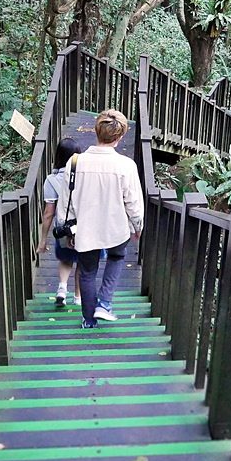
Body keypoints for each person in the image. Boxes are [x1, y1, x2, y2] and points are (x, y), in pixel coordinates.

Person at [69, 109, 144, 329]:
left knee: (87, 271)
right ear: (120, 137)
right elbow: (133, 203)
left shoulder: (74, 163)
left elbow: (67, 202)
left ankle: (89, 319)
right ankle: (104, 302)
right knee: (116, 257)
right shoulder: (126, 166)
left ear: (96, 130)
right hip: (116, 228)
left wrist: (70, 229)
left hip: (85, 228)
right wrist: (137, 226)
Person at [37, 137, 82, 307]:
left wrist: (43, 241)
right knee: (83, 261)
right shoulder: (86, 176)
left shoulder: (51, 179)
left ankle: (62, 288)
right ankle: (78, 298)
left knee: (65, 259)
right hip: (84, 225)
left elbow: (49, 213)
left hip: (64, 227)